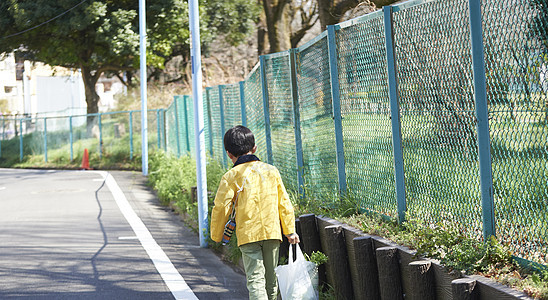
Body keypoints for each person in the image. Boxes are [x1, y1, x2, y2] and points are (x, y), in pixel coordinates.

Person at [210, 125, 300, 300]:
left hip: (248, 234)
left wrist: (216, 234)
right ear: (255, 148)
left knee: (255, 280)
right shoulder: (271, 171)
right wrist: (289, 230)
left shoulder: (231, 176)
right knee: (271, 280)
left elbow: (221, 208)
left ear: (229, 153)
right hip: (272, 233)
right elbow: (284, 203)